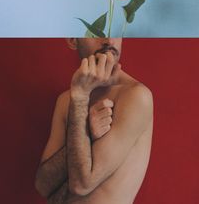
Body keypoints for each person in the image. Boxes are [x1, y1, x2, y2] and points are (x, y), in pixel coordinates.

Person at [35, 38, 153, 204]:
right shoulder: (66, 100)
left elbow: (82, 184)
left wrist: (81, 98)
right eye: (96, 28)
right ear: (72, 40)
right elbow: (43, 185)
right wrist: (86, 132)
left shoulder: (135, 96)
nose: (108, 39)